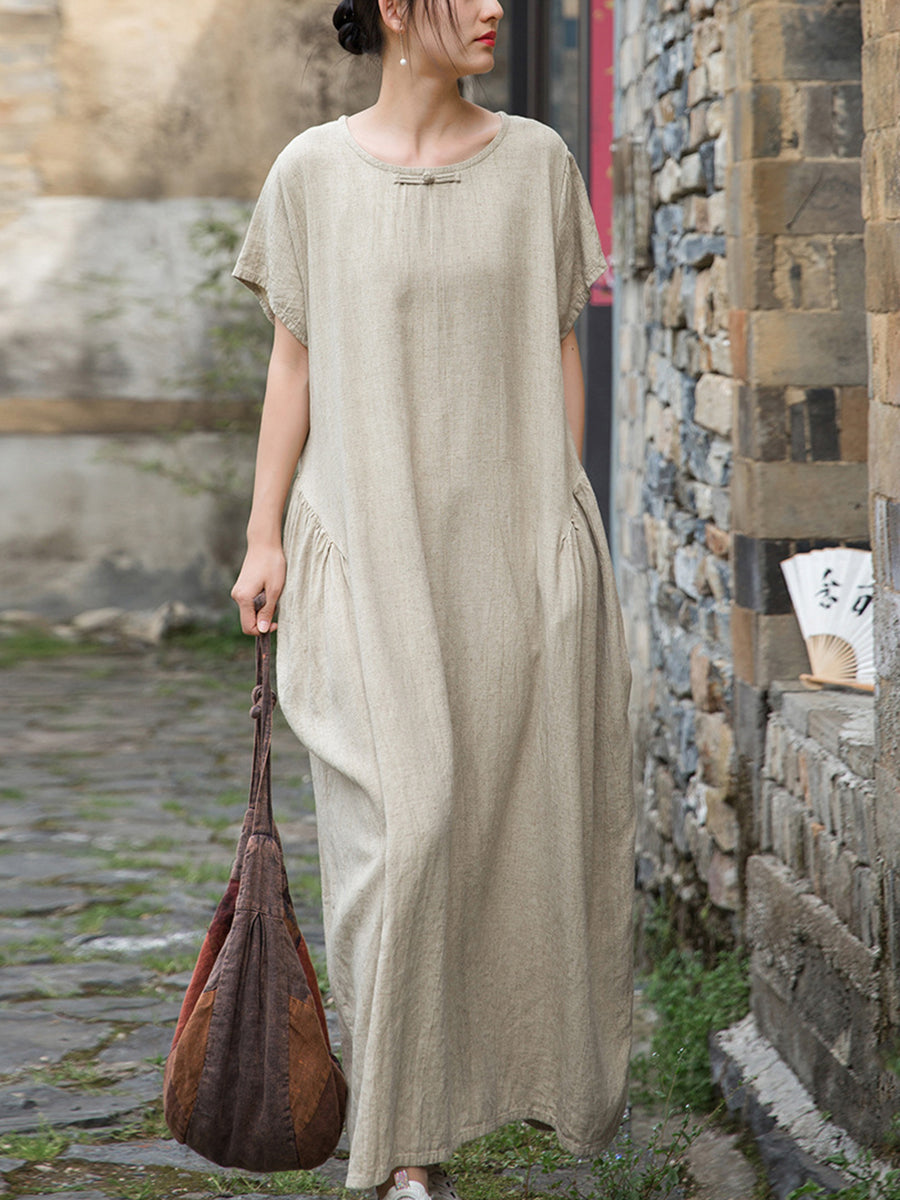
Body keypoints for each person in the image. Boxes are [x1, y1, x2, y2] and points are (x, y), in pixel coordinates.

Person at [230, 2, 636, 1199]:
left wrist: (563, 519)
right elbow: (294, 360)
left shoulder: (537, 165)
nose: (495, 7)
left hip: (506, 557)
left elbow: (557, 345)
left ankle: (447, 1124)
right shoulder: (311, 173)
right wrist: (263, 536)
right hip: (365, 554)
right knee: (404, 836)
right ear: (396, 10)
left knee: (506, 836)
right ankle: (403, 1146)